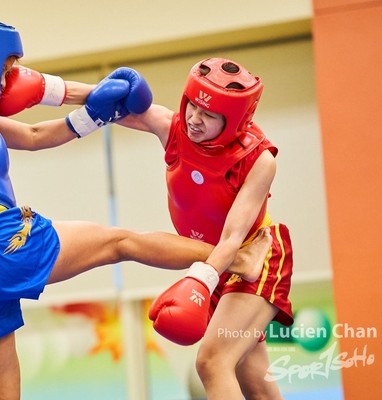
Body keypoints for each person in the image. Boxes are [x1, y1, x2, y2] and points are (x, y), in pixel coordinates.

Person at [0, 17, 271, 400]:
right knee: (121, 242)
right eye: (4, 70)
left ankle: (228, 257)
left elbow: (38, 136)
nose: (7, 81)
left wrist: (95, 108)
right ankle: (235, 257)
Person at [116, 58, 293, 400]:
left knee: (212, 363)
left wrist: (200, 279)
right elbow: (108, 105)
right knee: (256, 387)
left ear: (236, 121)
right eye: (193, 107)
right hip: (215, 263)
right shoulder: (173, 128)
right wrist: (51, 90)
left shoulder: (258, 160)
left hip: (252, 256)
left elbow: (232, 238)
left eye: (209, 115)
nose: (195, 119)